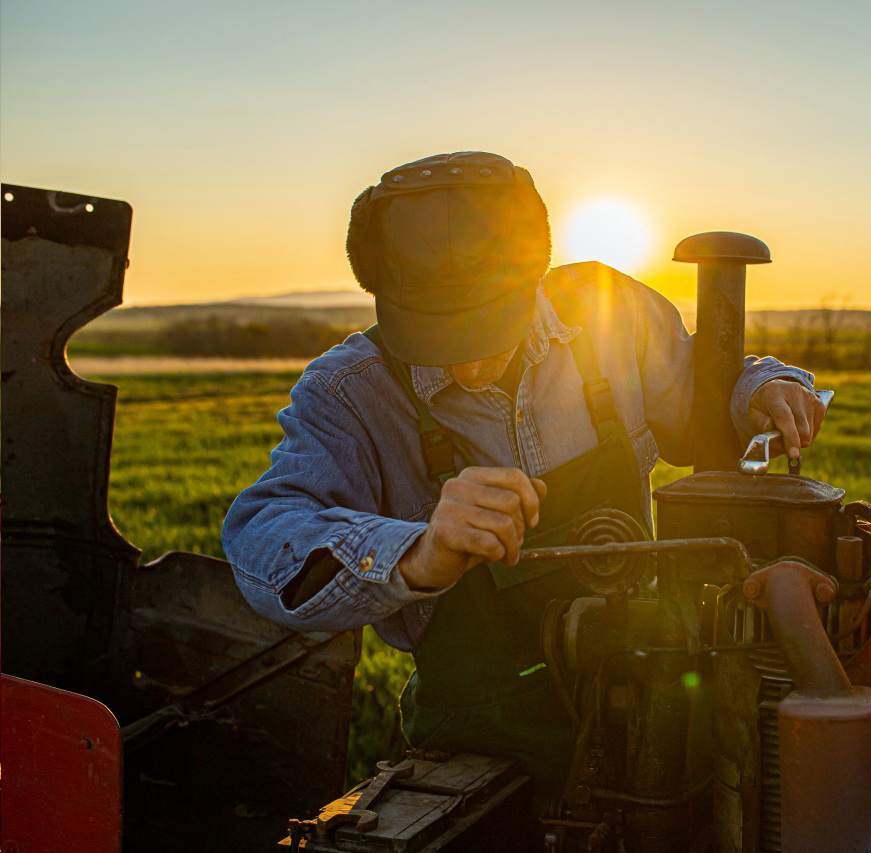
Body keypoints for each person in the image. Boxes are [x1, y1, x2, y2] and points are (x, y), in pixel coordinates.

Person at [222, 151, 826, 790]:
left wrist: (761, 387)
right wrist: (417, 553)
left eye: (485, 326)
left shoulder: (609, 313)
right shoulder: (348, 392)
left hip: (655, 693)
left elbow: (704, 390)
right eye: (434, 335)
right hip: (481, 740)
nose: (468, 363)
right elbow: (263, 537)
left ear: (532, 275)